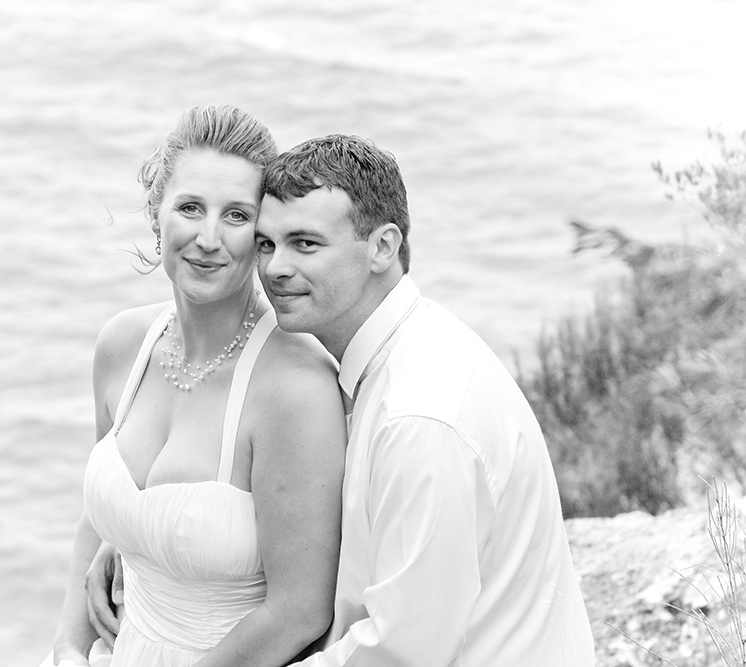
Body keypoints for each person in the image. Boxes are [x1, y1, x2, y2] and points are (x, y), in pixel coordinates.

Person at [90, 134, 596, 665]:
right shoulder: (403, 355)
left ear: (383, 247)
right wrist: (143, 546)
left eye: (305, 244)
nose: (276, 268)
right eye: (267, 244)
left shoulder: (419, 417)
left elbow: (402, 652)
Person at [44, 106, 347, 667]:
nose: (209, 239)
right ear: (156, 214)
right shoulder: (121, 346)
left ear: (262, 235)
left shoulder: (295, 389)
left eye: (236, 216)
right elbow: (97, 515)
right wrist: (68, 646)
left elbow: (300, 610)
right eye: (190, 208)